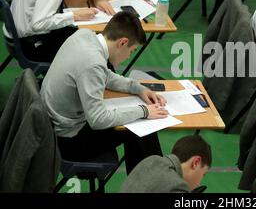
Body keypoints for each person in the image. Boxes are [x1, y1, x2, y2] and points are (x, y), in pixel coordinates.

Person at [40, 11, 168, 174]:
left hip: (53, 124)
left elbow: (104, 75)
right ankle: (151, 186)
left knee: (138, 123)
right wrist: (143, 111)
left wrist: (137, 88)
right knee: (142, 126)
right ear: (123, 43)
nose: (129, 56)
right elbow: (97, 119)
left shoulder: (84, 35)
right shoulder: (93, 63)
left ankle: (150, 184)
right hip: (68, 142)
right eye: (132, 51)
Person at [120, 135, 212, 193]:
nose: (198, 184)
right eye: (203, 174)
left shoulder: (151, 160)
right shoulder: (177, 186)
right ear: (196, 162)